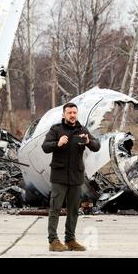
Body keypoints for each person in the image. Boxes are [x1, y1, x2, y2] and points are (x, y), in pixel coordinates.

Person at [42, 102, 100, 252]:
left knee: (73, 210)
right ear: (64, 115)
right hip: (59, 176)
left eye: (74, 112)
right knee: (55, 208)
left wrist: (88, 141)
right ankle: (53, 241)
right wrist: (57, 143)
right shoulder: (56, 129)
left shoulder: (82, 130)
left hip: (76, 176)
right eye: (69, 113)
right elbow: (45, 147)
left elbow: (96, 145)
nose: (72, 115)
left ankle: (70, 240)